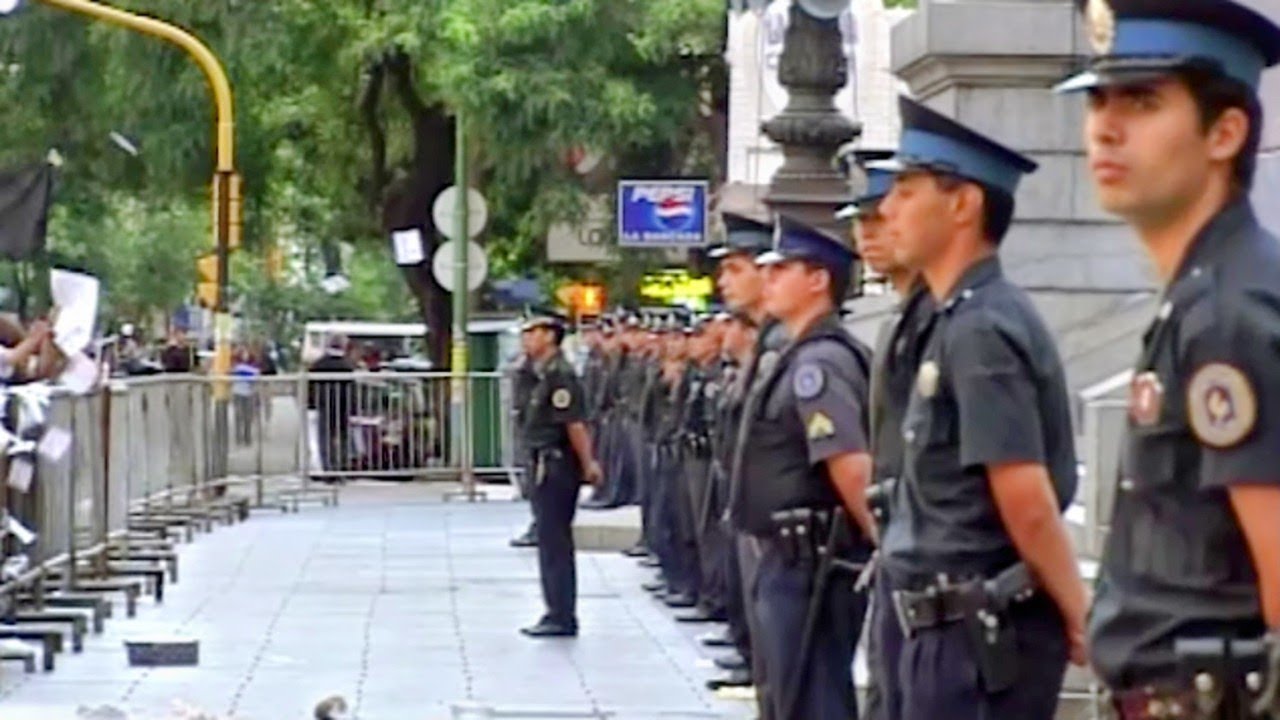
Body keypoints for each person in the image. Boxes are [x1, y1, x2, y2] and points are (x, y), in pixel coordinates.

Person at [1055, 2, 1280, 716]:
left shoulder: (1228, 314)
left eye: (1143, 102)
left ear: (1225, 133)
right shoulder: (1203, 293)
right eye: (1098, 100)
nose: (1105, 128)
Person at [872, 96, 1089, 720]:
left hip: (979, 639)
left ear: (962, 204)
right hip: (945, 631)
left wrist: (1079, 615)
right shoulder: (950, 320)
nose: (887, 209)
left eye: (907, 191)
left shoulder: (982, 329)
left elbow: (1024, 494)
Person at [729, 216, 875, 719]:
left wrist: (884, 545)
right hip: (788, 560)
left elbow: (849, 463)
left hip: (811, 564)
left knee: (811, 700)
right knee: (787, 696)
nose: (767, 279)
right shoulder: (798, 354)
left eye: (781, 269)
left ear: (818, 280)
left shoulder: (821, 364)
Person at [838, 148, 937, 720]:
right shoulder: (901, 322)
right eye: (862, 222)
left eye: (880, 217)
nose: (868, 234)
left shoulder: (948, 325)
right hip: (899, 550)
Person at [705, 211, 777, 695]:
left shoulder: (794, 354)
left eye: (735, 268)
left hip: (794, 539)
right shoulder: (770, 350)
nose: (722, 281)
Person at [518, 308, 603, 638]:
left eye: (533, 333)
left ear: (550, 335)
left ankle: (561, 614)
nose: (526, 339)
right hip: (542, 462)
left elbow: (574, 424)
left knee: (555, 541)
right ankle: (555, 609)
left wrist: (588, 463)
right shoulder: (538, 372)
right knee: (548, 539)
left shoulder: (560, 375)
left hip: (556, 465)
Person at [308, 334, 357, 478]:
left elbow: (312, 387)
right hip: (343, 407)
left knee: (325, 438)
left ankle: (328, 469)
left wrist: (311, 404)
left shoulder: (318, 365)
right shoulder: (347, 366)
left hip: (324, 406)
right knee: (343, 438)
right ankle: (342, 468)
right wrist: (353, 408)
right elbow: (352, 390)